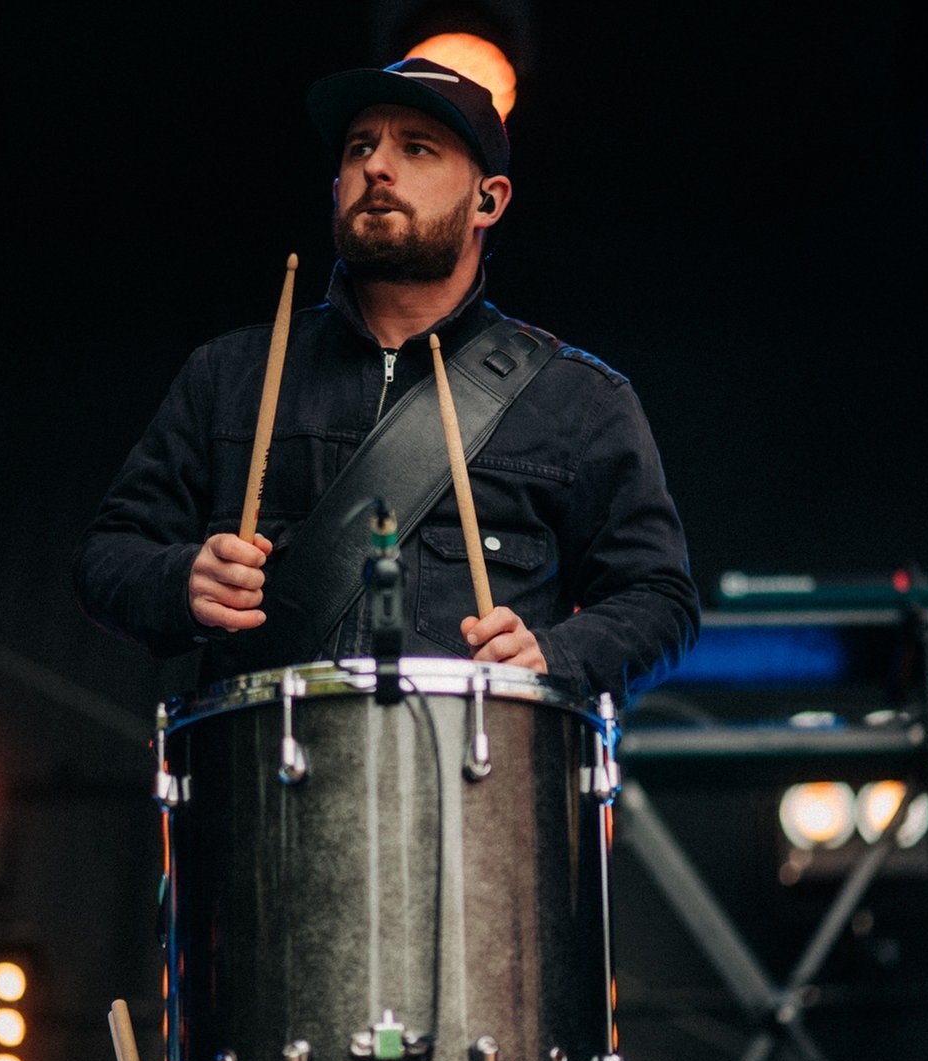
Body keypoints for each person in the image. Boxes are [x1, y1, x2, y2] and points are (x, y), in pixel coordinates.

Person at [73, 56, 698, 705]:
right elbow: (108, 557)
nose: (376, 165)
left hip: (486, 785)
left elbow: (658, 598)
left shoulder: (581, 400)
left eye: (417, 148)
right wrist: (183, 583)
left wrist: (557, 653)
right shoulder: (231, 375)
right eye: (359, 148)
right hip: (268, 784)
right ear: (337, 188)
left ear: (489, 198)